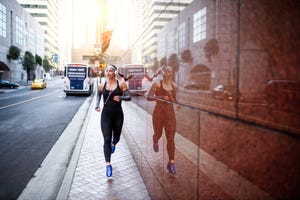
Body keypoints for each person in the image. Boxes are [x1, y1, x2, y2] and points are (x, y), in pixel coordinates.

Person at [95, 64, 131, 177]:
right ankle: (108, 164)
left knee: (116, 137)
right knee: (106, 139)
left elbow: (129, 97)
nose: (108, 73)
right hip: (105, 115)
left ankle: (114, 143)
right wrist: (97, 105)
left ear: (115, 72)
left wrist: (121, 98)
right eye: (107, 71)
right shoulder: (102, 85)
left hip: (118, 115)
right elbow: (98, 96)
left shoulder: (121, 84)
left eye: (111, 71)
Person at [146, 66, 179, 175]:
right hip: (159, 114)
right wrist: (160, 98)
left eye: (171, 72)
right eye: (168, 71)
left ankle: (171, 163)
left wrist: (177, 105)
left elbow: (175, 100)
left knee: (171, 139)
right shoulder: (157, 84)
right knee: (159, 134)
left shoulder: (175, 86)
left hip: (170, 115)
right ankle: (155, 139)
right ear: (163, 73)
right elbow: (148, 97)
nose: (170, 73)